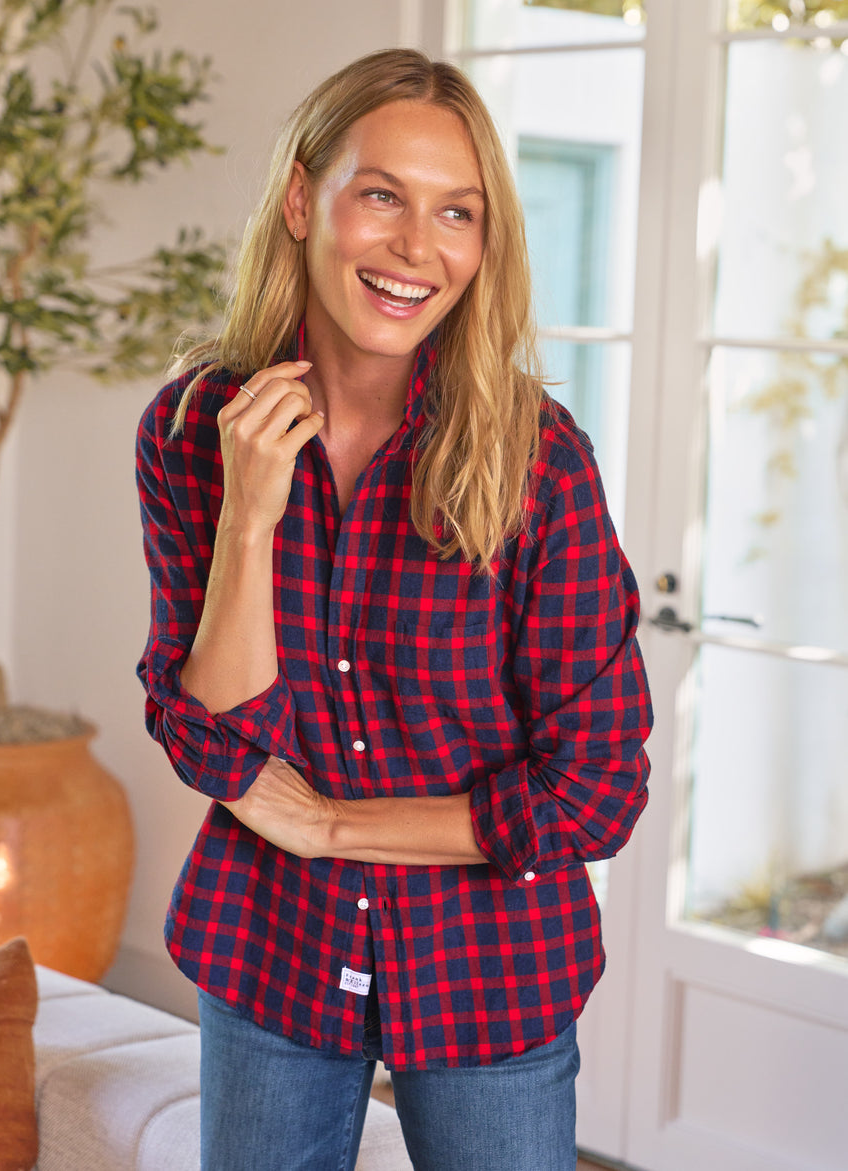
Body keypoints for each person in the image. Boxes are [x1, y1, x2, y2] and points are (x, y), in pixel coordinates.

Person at [136, 47, 652, 1171]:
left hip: (489, 970)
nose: (418, 246)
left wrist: (330, 822)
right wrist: (249, 519)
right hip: (272, 953)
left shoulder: (536, 458)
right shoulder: (192, 430)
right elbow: (214, 742)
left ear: (483, 243)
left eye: (456, 212)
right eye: (382, 195)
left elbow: (598, 790)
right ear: (299, 199)